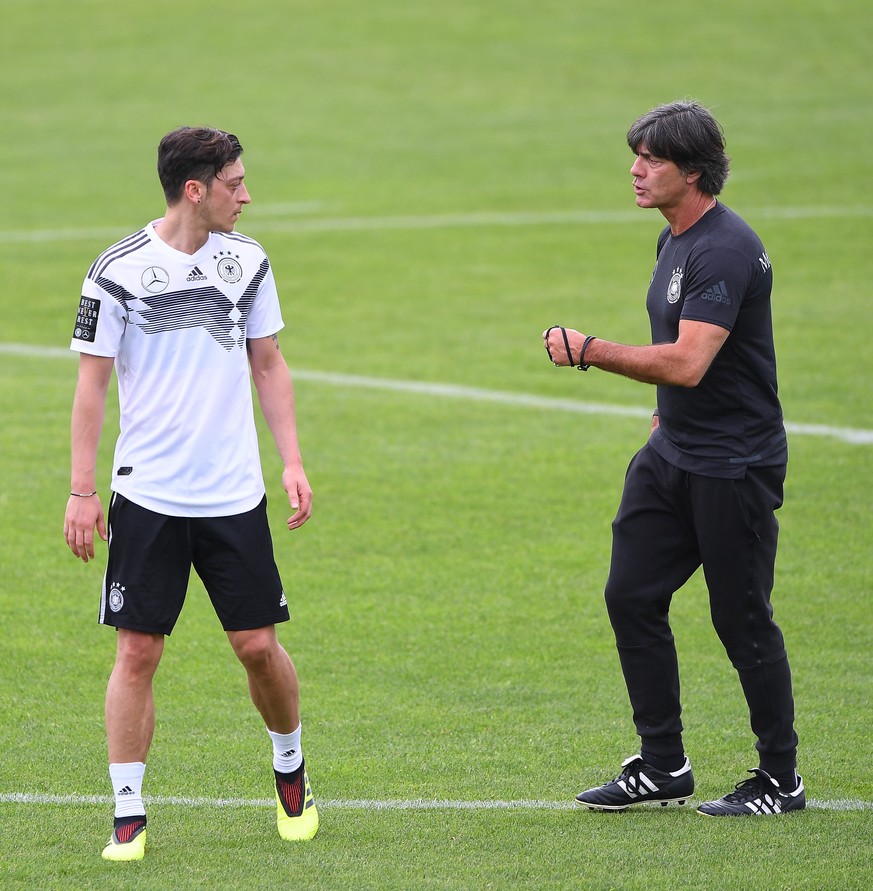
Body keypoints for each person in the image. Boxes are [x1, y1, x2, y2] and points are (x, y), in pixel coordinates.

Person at [64, 126, 319, 860]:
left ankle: (290, 763)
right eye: (235, 183)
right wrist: (83, 491)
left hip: (233, 493)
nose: (247, 194)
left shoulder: (248, 262)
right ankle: (128, 811)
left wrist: (292, 459)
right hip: (147, 494)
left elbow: (267, 363)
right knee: (138, 650)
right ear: (196, 189)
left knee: (257, 646)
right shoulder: (116, 270)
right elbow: (92, 385)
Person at [543, 100, 803, 817]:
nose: (634, 169)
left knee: (741, 619)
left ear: (691, 171)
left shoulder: (721, 248)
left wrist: (588, 350)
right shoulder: (675, 240)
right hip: (673, 453)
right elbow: (684, 368)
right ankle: (662, 763)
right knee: (629, 594)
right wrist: (664, 422)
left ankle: (780, 778)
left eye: (650, 159)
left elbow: (688, 361)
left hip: (732, 465)